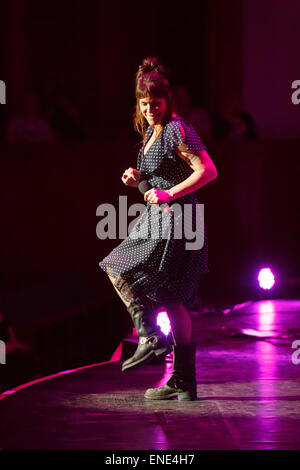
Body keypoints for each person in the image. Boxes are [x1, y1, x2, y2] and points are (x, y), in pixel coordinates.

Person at [99, 57, 217, 401]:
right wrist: (139, 179)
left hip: (177, 220)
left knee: (116, 265)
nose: (150, 109)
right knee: (173, 300)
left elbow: (208, 171)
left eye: (156, 103)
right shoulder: (154, 131)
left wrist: (169, 193)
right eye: (144, 104)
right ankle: (183, 381)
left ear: (168, 101)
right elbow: (162, 178)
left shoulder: (178, 128)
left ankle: (150, 336)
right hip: (161, 218)